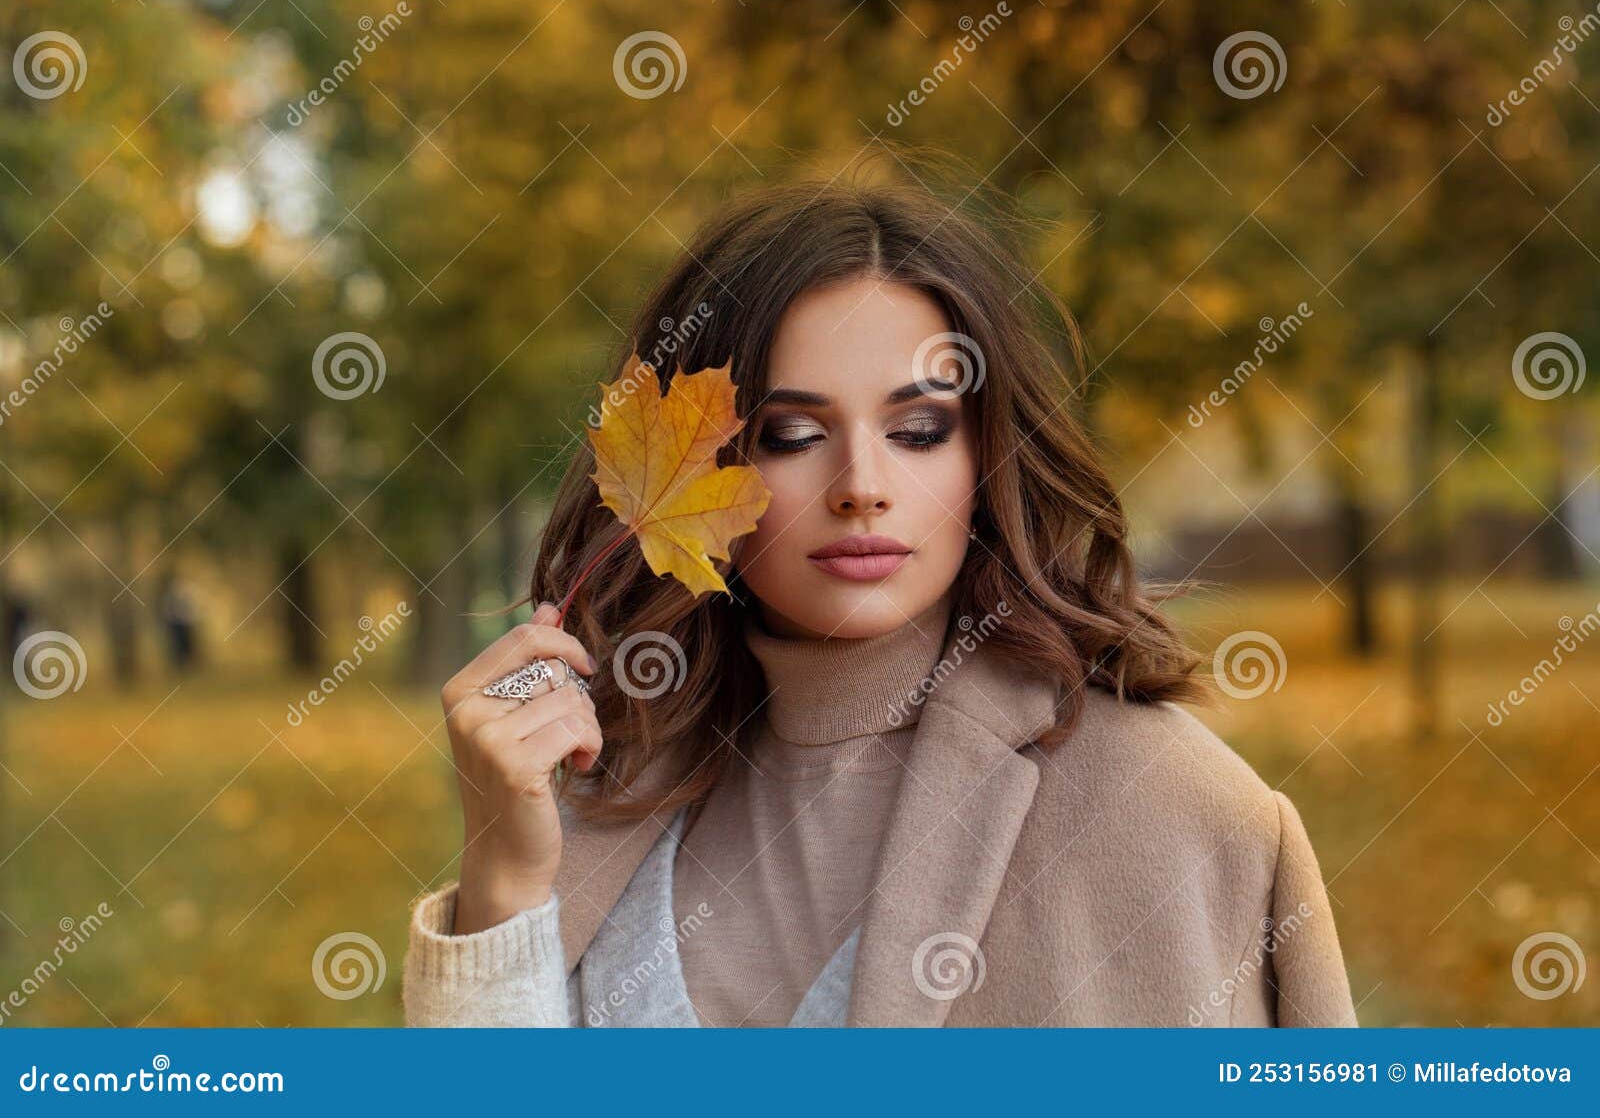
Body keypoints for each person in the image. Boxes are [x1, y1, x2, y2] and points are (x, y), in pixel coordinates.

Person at [401, 172, 1358, 1028]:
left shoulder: (1173, 814)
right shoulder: (613, 794)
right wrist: (503, 885)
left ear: (987, 454)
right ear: (700, 468)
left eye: (918, 427)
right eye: (788, 433)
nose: (862, 483)